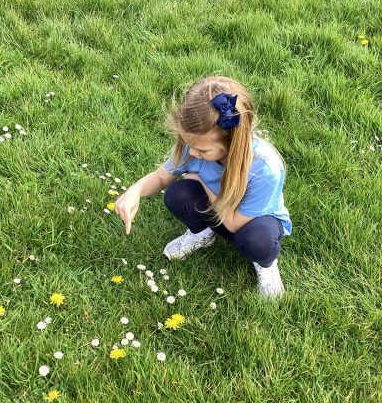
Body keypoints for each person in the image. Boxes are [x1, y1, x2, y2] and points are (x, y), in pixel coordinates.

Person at [114, 75, 292, 297]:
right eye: (188, 144)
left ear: (231, 141)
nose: (192, 152)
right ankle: (202, 233)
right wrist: (136, 191)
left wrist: (200, 180)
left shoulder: (266, 169)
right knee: (177, 194)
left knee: (257, 241)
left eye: (202, 150)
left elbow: (234, 224)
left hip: (250, 222)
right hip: (220, 210)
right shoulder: (195, 144)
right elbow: (161, 177)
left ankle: (266, 265)